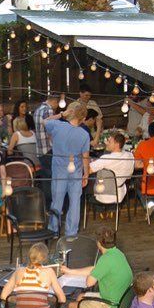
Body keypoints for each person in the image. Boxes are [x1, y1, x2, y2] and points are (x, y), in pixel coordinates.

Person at [60, 227, 133, 308]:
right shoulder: (118, 254)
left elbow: (89, 282)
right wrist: (70, 271)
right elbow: (96, 269)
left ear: (98, 243)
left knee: (73, 306)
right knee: (81, 297)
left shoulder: (105, 260)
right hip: (124, 304)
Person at [46, 101, 90, 238]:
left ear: (69, 112)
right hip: (76, 171)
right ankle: (71, 232)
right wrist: (86, 174)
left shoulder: (57, 126)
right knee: (75, 202)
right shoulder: (84, 135)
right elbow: (85, 157)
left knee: (57, 200)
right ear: (83, 118)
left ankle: (54, 229)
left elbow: (45, 121)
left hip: (59, 170)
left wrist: (60, 114)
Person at [89, 132, 134, 205]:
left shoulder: (105, 159)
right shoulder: (129, 156)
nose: (107, 143)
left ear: (117, 144)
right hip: (119, 195)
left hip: (102, 195)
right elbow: (129, 175)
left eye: (109, 142)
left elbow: (88, 170)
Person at [33, 92, 62, 156]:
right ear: (55, 101)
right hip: (48, 148)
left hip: (40, 148)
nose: (57, 106)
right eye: (58, 104)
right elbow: (51, 131)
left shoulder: (38, 110)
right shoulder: (49, 110)